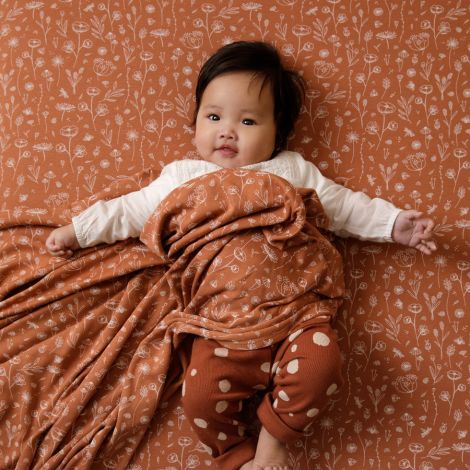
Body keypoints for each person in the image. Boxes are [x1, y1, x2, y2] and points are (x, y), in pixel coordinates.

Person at [46, 41, 436, 470]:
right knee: (199, 398)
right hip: (218, 325)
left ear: (277, 133)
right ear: (195, 123)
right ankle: (234, 453)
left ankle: (273, 443)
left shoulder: (290, 170)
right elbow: (128, 210)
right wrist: (77, 231)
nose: (227, 131)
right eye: (213, 117)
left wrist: (395, 225)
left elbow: (344, 207)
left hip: (295, 313)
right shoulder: (181, 178)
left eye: (248, 121)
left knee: (323, 365)